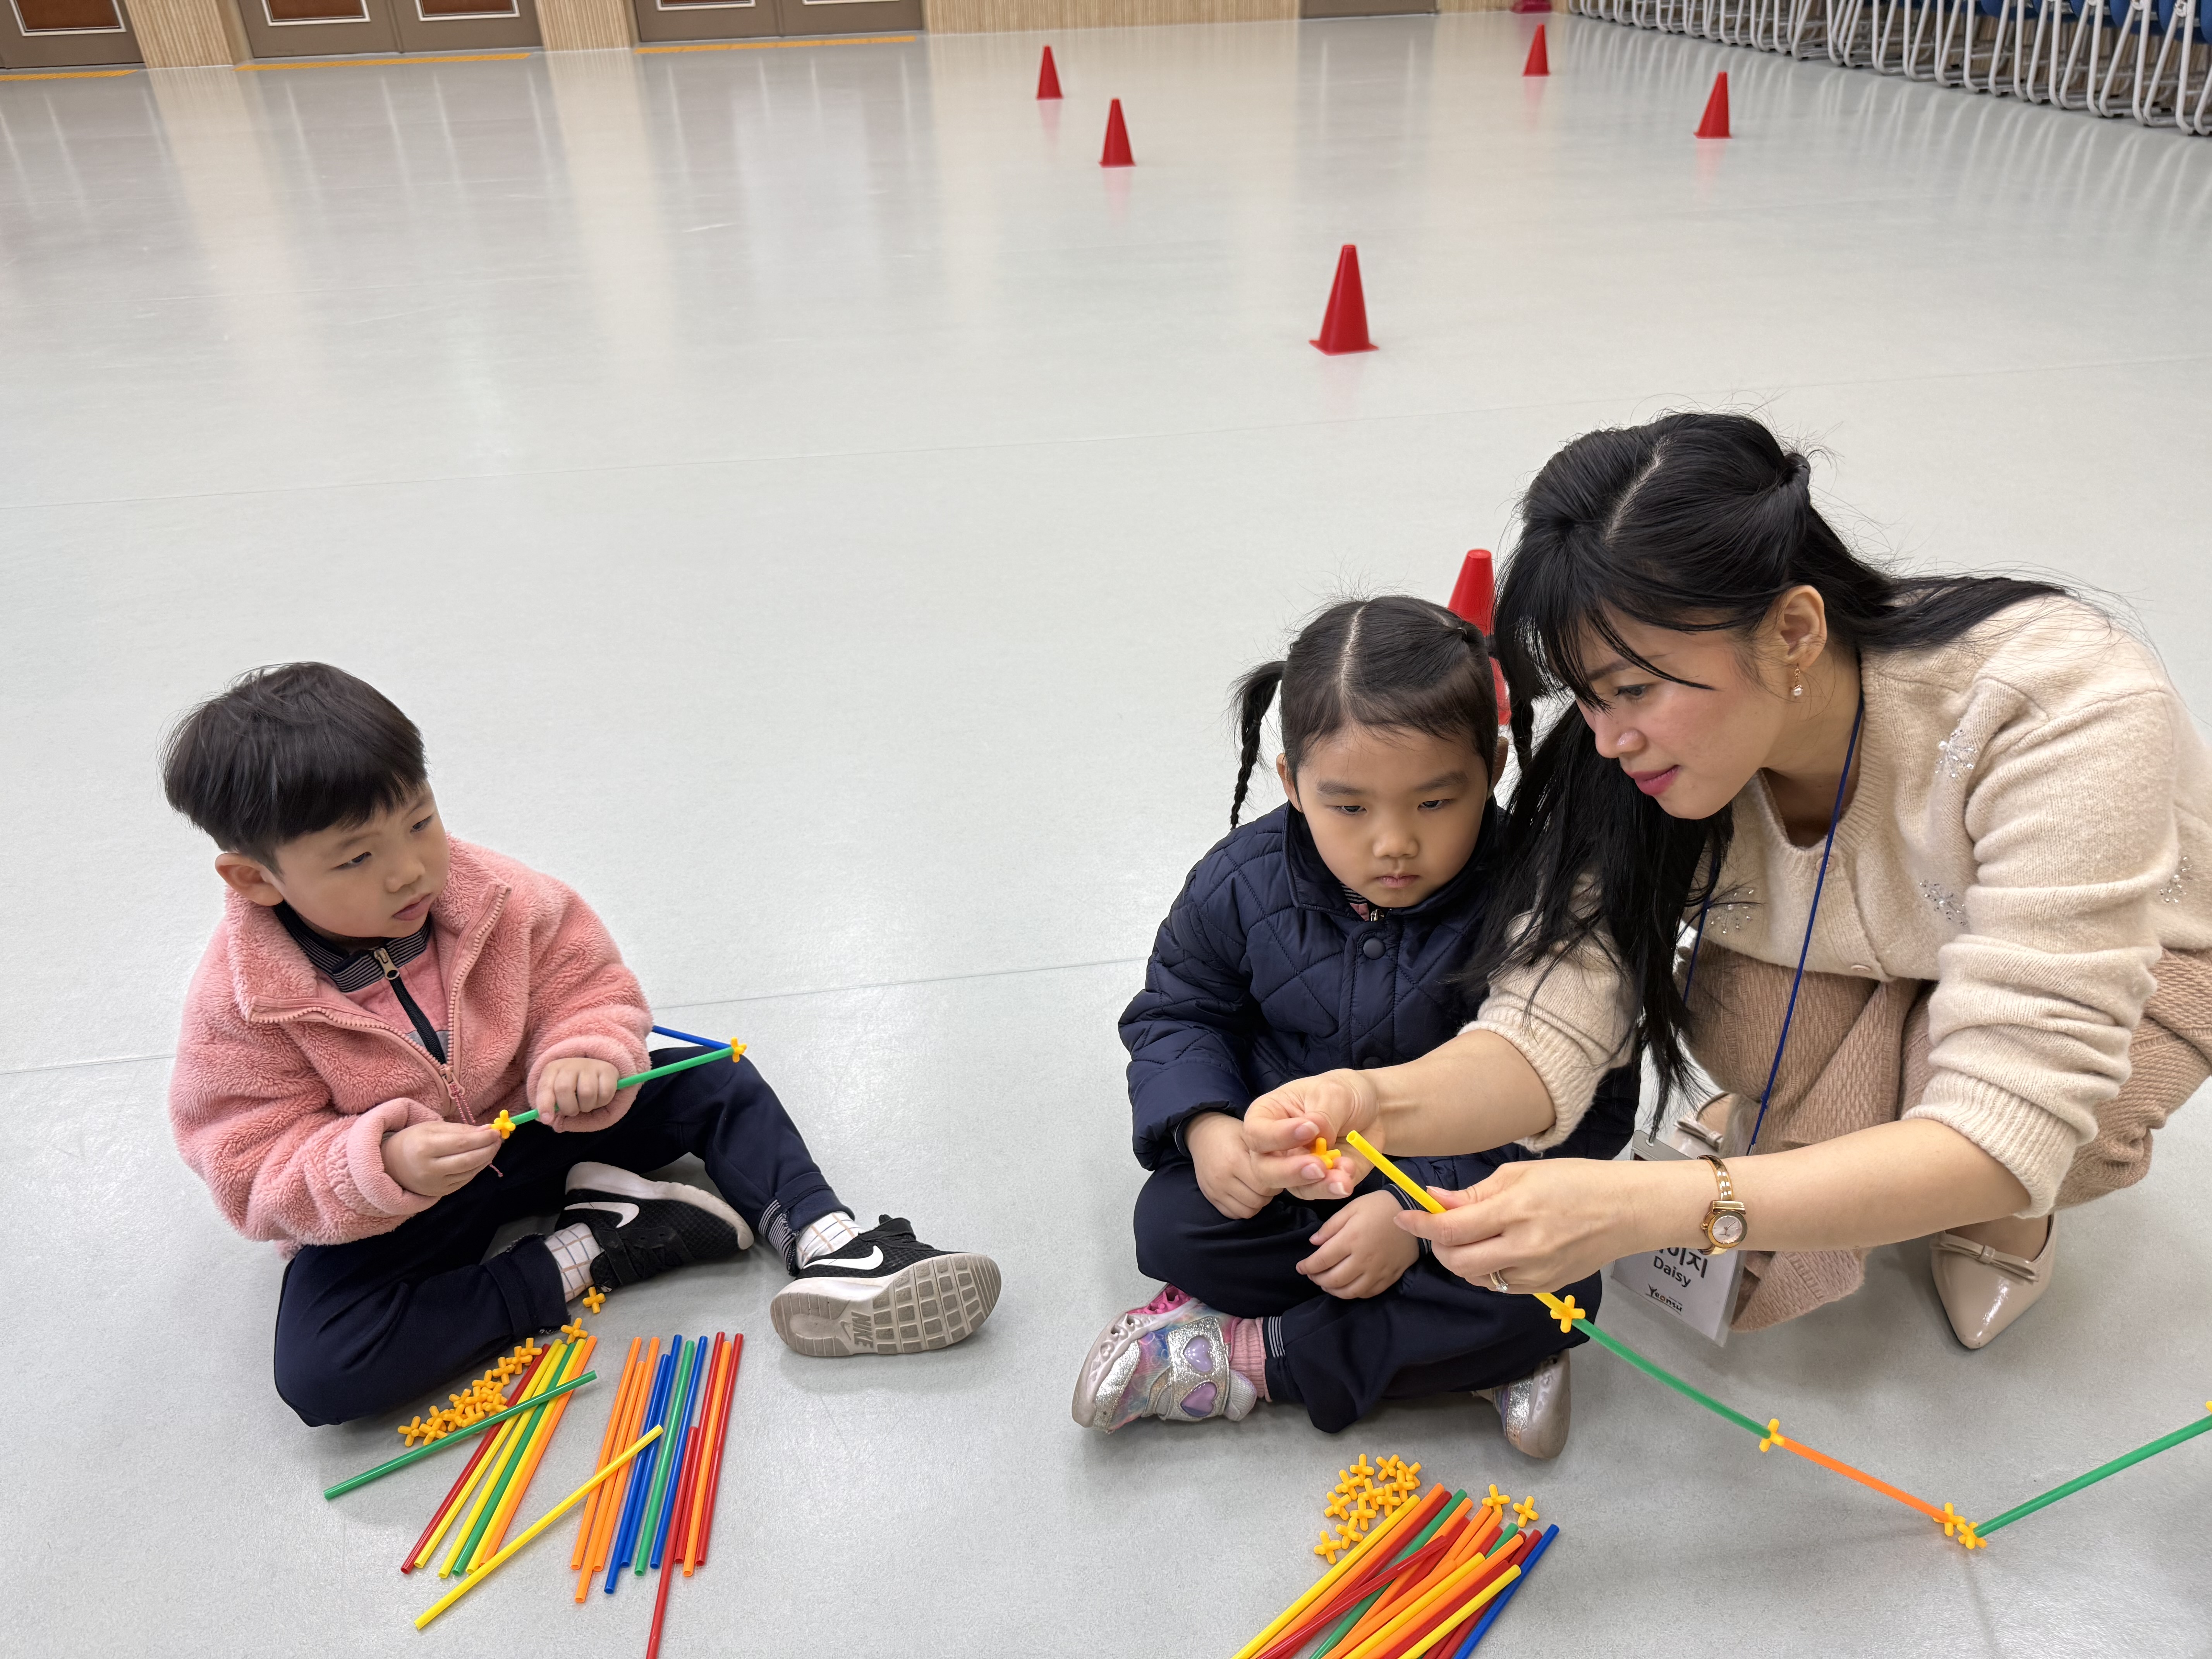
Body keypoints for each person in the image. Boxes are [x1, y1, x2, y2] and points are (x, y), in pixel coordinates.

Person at [1234, 413, 2212, 1350]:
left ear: (1792, 631)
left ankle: (2003, 1218)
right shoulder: (1631, 762)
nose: (1609, 738)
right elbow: (1547, 1026)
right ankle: (1848, 1143)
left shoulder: (2058, 706)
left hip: (2138, 964)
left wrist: (1644, 1206)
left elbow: (2013, 1115)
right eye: (1586, 693)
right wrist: (1372, 1103)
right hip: (1849, 947)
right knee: (1737, 1020)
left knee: (2064, 1127)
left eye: (1635, 689)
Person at [162, 663, 1000, 1426]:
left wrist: (583, 1053)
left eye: (421, 821)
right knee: (322, 1371)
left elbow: (589, 985)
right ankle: (590, 1250)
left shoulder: (500, 895)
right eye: (356, 859)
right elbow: (246, 1163)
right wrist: (377, 1162)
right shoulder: (239, 1005)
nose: (410, 872)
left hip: (537, 1123)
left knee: (718, 1075)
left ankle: (832, 1243)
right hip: (403, 1201)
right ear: (255, 879)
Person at [1071, 597, 1638, 1455]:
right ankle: (1449, 1353)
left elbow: (1583, 1109)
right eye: (1349, 809)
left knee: (1564, 1298)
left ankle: (1253, 1357)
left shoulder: (1537, 895)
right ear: (1291, 781)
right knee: (1174, 1224)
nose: (1394, 845)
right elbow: (1180, 1010)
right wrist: (1210, 1127)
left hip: (1459, 1195)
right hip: (1301, 1182)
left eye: (1437, 802)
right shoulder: (1240, 880)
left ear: (1490, 767)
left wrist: (1412, 1226)